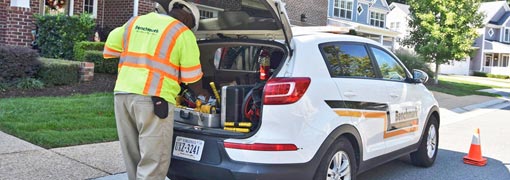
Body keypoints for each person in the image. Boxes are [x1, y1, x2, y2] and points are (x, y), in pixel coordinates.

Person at [102, 0, 202, 179]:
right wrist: (202, 95)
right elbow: (192, 78)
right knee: (153, 163)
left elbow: (110, 47)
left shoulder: (135, 21)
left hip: (123, 95)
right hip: (154, 100)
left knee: (134, 158)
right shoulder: (182, 32)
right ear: (189, 19)